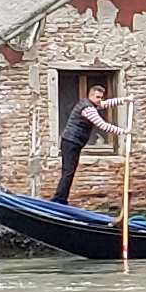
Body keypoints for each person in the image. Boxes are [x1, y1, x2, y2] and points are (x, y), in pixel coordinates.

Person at [52, 76, 118, 204]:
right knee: (68, 171)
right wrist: (124, 131)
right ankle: (58, 200)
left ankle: (61, 198)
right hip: (70, 142)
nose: (100, 100)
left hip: (74, 142)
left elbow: (107, 103)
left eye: (101, 97)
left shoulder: (91, 104)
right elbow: (103, 125)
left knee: (70, 171)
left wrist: (125, 100)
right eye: (98, 97)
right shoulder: (88, 109)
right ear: (91, 96)